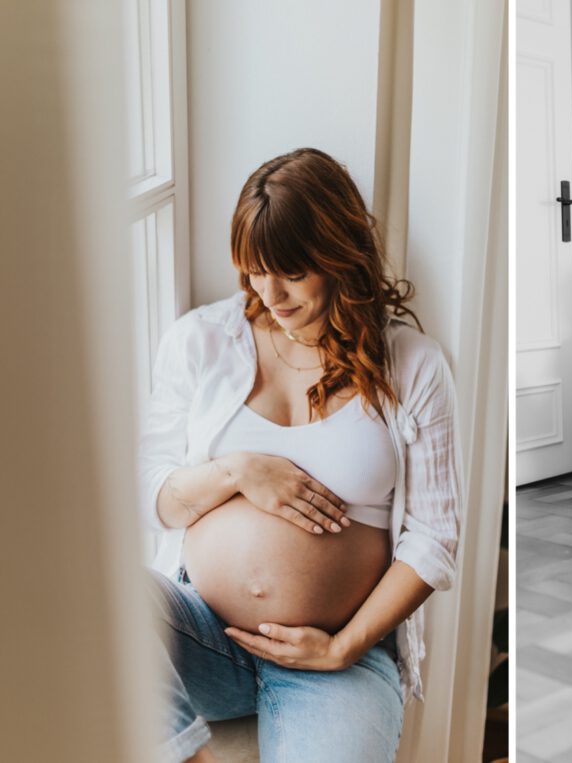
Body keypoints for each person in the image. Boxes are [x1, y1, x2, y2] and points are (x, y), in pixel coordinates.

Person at [138, 148, 462, 762]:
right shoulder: (202, 340)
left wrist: (341, 648)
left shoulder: (413, 365)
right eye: (255, 271)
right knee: (106, 597)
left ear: (339, 255)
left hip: (338, 660)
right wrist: (236, 472)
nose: (271, 293)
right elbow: (146, 491)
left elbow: (436, 536)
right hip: (203, 630)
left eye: (291, 272)